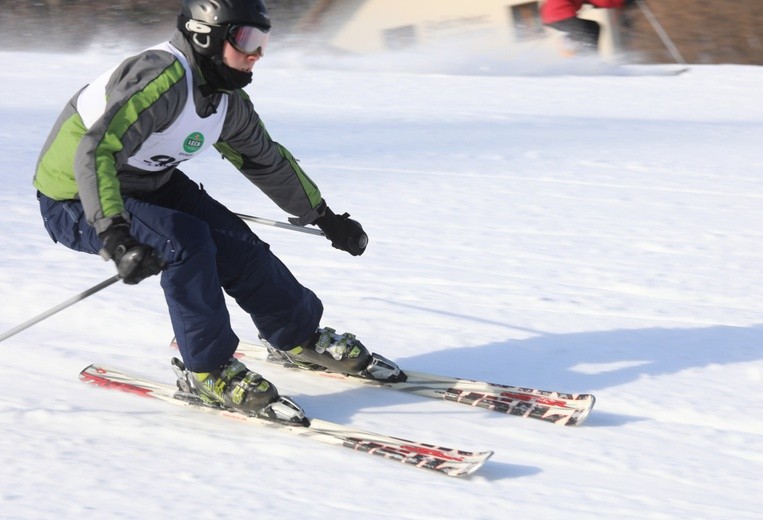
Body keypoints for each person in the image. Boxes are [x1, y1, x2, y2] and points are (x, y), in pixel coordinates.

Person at [33, 0, 401, 417]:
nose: (257, 53)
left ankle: (298, 335)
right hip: (76, 198)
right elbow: (96, 151)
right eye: (246, 39)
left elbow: (265, 160)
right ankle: (207, 371)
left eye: (263, 41)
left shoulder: (226, 100)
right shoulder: (160, 80)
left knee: (236, 244)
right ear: (206, 36)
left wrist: (324, 216)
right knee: (184, 242)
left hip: (152, 183)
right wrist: (114, 233)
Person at [540, 0, 633, 54]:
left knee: (591, 27)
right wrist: (621, 1)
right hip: (560, 15)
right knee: (588, 32)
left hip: (552, 16)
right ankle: (589, 59)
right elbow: (604, 1)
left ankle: (571, 40)